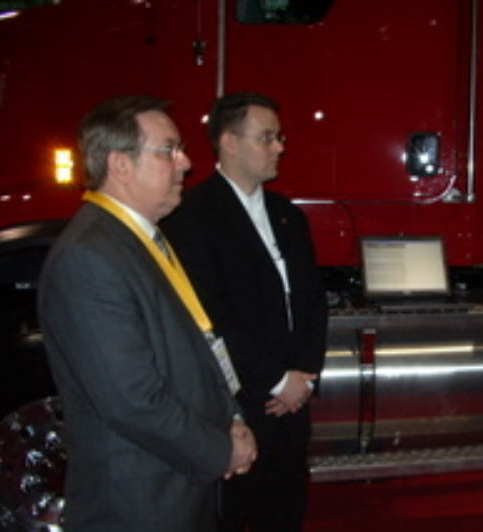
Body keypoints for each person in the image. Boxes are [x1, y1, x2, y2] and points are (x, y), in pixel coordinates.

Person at [38, 95, 257, 532]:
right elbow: (133, 400)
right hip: (138, 505)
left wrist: (230, 418)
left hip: (173, 487)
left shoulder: (139, 240)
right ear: (120, 165)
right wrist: (220, 450)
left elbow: (193, 349)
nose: (187, 163)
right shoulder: (88, 258)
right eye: (169, 150)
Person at [162, 92, 327, 531]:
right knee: (238, 513)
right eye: (267, 137)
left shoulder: (287, 213)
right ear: (229, 142)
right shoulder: (192, 216)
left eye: (279, 136)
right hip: (238, 404)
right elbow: (208, 317)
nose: (280, 147)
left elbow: (313, 299)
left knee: (288, 506)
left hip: (293, 402)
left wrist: (304, 374)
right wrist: (275, 379)